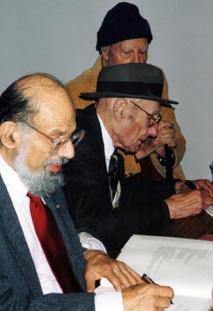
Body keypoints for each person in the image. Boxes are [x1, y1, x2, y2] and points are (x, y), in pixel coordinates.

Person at [0, 73, 174, 311]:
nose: (70, 152)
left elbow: (50, 243)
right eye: (57, 138)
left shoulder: (37, 170)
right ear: (10, 135)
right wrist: (116, 307)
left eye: (71, 136)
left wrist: (88, 254)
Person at [63, 63, 213, 258]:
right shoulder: (78, 145)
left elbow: (122, 193)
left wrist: (177, 186)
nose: (153, 131)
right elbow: (93, 227)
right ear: (120, 109)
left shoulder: (101, 138)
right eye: (151, 120)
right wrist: (170, 209)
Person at [66, 2, 186, 181]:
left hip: (163, 180)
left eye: (143, 52)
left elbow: (178, 140)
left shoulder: (154, 77)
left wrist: (163, 149)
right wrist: (144, 149)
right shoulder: (76, 92)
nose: (137, 62)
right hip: (122, 192)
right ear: (105, 51)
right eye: (127, 52)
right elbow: (86, 166)